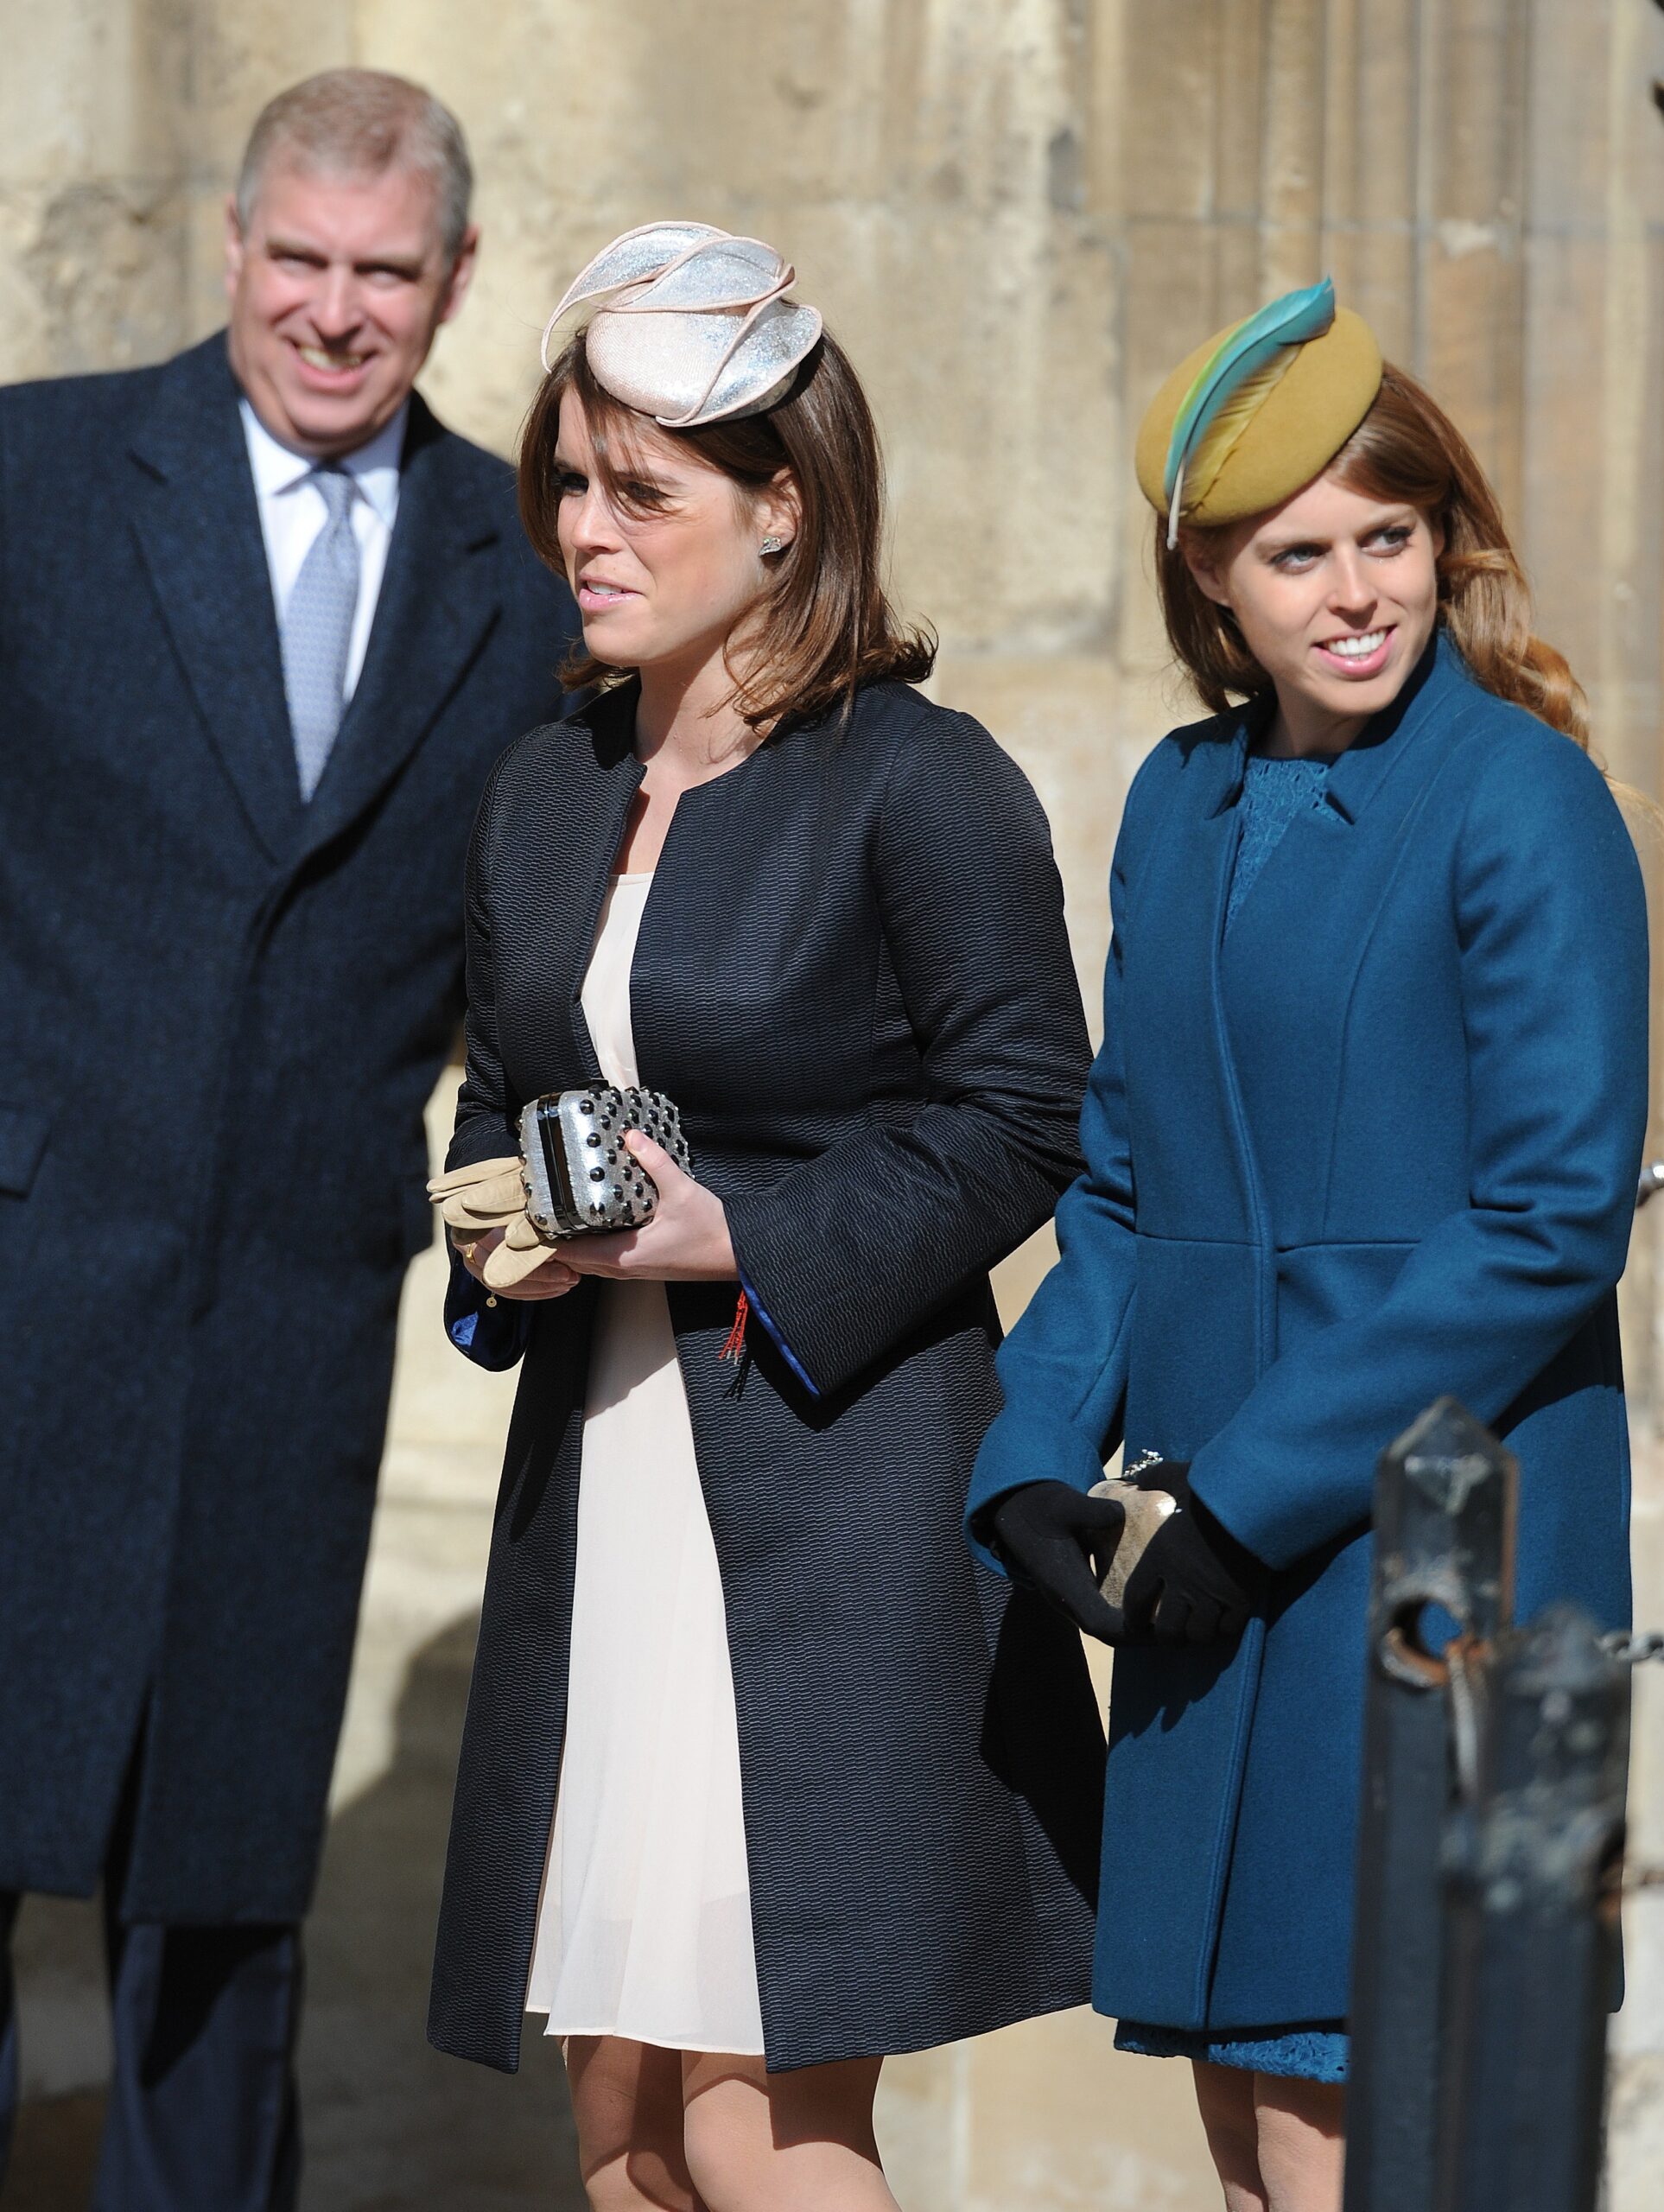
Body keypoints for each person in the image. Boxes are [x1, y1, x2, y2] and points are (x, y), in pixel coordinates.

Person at [425, 222, 1108, 2211]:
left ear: (785, 508)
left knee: (761, 2112)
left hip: (828, 1510)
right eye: (570, 478)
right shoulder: (543, 785)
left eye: (642, 490)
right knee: (624, 2124)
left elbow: (1024, 1117)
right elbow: (496, 1091)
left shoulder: (921, 779)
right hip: (607, 1486)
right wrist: (504, 1231)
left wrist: (734, 1235)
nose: (585, 528)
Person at [965, 278, 1648, 2212]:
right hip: (1210, 1582)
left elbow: (1544, 1222)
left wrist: (1239, 1497)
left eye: (1389, 536)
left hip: (1418, 1549)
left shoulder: (1521, 798)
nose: (1355, 591)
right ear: (1207, 584)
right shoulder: (1178, 804)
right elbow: (1121, 1175)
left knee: (1374, 2138)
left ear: (1444, 538)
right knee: (1256, 2146)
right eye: (1295, 553)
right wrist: (1029, 1451)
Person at [0, 69, 575, 2210]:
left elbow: (546, 948)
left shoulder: (516, 573)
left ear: (454, 284)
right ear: (234, 248)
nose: (335, 314)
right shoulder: (34, 471)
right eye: (301, 260)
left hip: (289, 1334)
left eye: (384, 273)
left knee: (220, 1916)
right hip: (23, 1284)